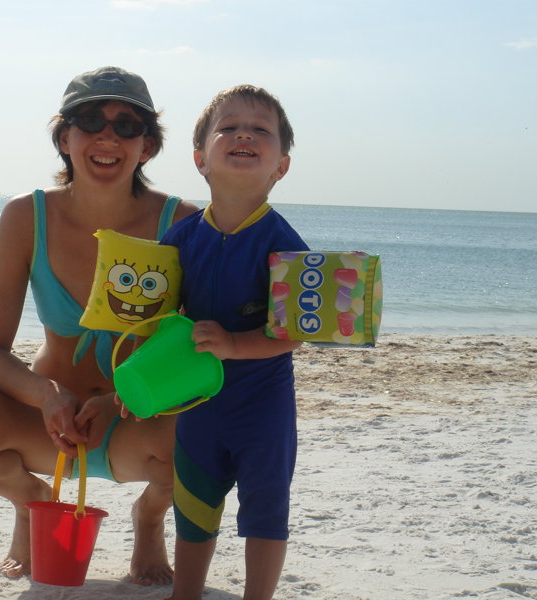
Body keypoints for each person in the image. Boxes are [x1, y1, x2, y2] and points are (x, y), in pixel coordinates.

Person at [0, 66, 198, 584]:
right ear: (65, 138)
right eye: (89, 121)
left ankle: (150, 515)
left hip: (138, 421)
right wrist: (47, 396)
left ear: (148, 147)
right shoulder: (26, 217)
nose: (107, 135)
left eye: (127, 125)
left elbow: (193, 348)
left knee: (217, 436)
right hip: (49, 425)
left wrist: (121, 398)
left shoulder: (182, 224)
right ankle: (31, 501)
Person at [158, 85, 308, 600]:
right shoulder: (179, 240)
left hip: (262, 405)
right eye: (229, 128)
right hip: (198, 403)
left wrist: (234, 345)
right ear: (200, 159)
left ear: (280, 167)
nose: (244, 134)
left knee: (266, 509)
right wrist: (141, 385)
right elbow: (158, 324)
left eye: (261, 130)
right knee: (193, 506)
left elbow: (293, 333)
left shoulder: (286, 246)